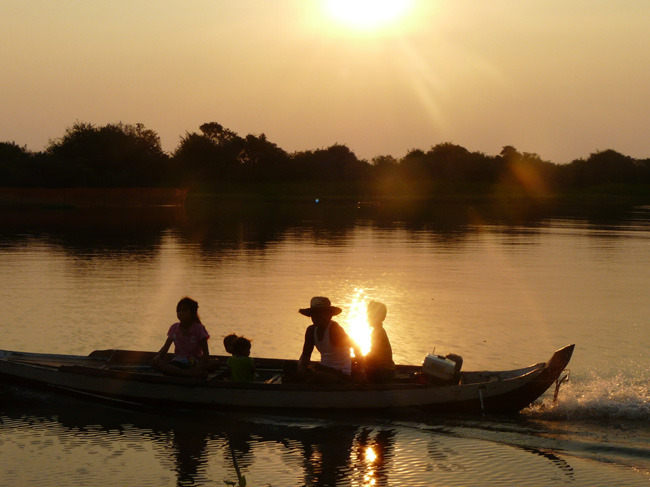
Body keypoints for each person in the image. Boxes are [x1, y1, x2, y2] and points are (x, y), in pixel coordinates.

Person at [297, 296, 362, 383]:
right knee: (288, 367)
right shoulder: (311, 331)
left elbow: (356, 347)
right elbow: (305, 355)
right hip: (324, 369)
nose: (316, 316)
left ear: (329, 315)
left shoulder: (334, 330)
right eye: (314, 313)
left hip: (341, 374)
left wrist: (361, 371)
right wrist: (301, 368)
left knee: (315, 378)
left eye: (320, 313)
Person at [152, 297, 219, 377]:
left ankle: (187, 373)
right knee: (156, 364)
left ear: (192, 313)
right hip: (177, 363)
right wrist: (158, 356)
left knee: (216, 362)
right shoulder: (174, 328)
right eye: (179, 311)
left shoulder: (199, 328)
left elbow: (205, 354)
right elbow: (165, 348)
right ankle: (189, 374)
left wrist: (198, 367)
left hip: (194, 363)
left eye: (184, 310)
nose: (181, 313)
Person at [365, 301, 395, 383]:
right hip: (385, 369)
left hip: (384, 371)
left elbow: (373, 355)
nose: (367, 317)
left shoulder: (378, 332)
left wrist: (361, 359)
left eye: (369, 314)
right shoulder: (378, 331)